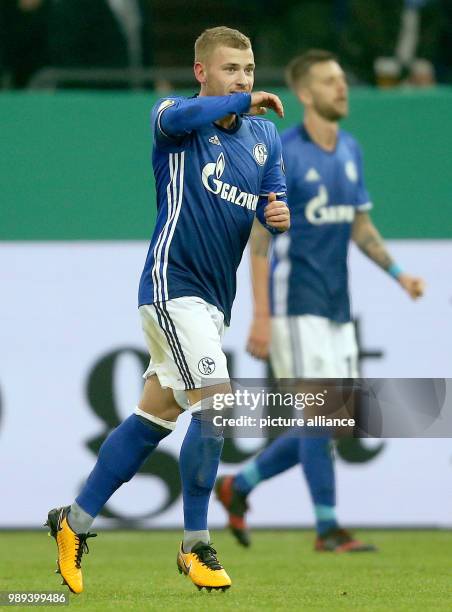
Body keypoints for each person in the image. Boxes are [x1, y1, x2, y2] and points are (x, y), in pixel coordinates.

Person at [45, 26, 290, 594]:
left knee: (153, 417)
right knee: (216, 404)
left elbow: (268, 217)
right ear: (202, 72)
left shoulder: (263, 140)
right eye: (231, 69)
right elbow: (176, 119)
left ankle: (73, 522)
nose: (244, 79)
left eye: (249, 69)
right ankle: (194, 544)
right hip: (170, 287)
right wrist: (240, 102)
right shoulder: (175, 119)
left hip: (213, 304)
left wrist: (277, 221)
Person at [216, 49, 424, 551]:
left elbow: (361, 225)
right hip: (295, 305)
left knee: (337, 422)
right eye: (330, 81)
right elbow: (260, 241)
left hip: (336, 307)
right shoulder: (284, 153)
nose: (342, 88)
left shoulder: (350, 149)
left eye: (342, 79)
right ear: (306, 94)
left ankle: (237, 485)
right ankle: (327, 528)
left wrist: (399, 274)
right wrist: (261, 316)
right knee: (321, 417)